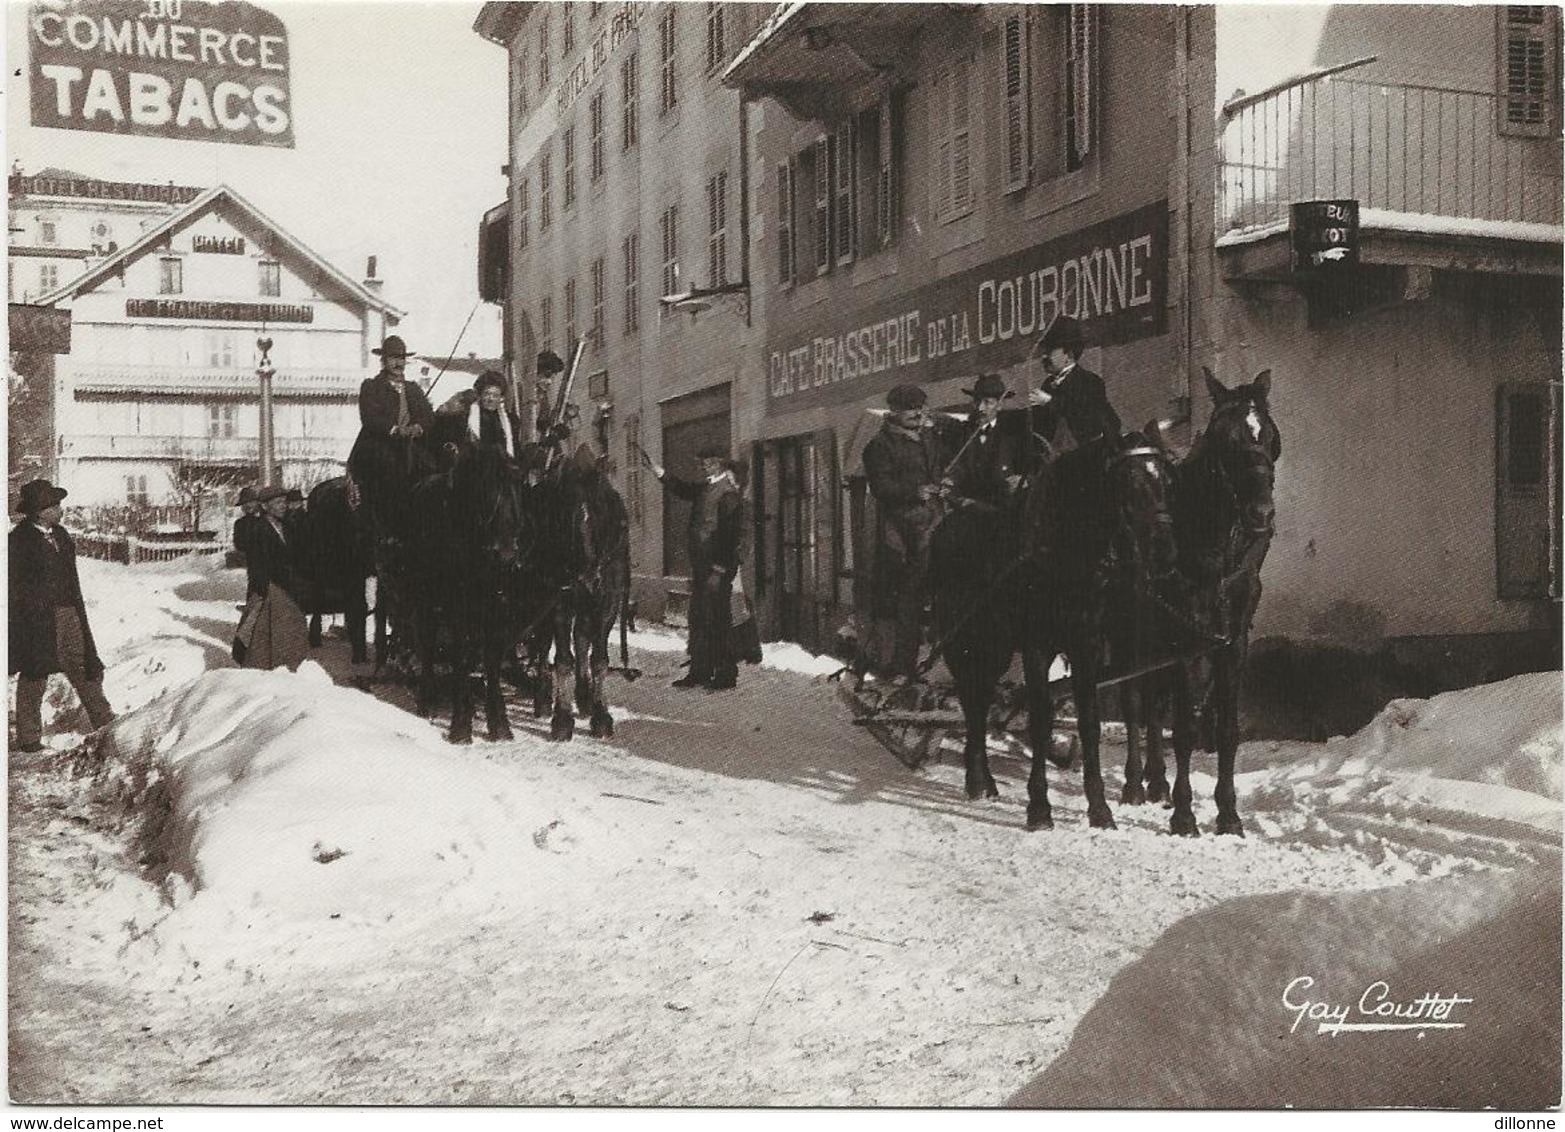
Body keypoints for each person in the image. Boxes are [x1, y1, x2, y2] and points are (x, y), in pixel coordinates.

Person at [9, 479, 115, 752]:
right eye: (54, 505)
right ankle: (29, 738)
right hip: (36, 621)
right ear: (40, 510)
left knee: (83, 666)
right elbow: (13, 588)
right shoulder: (18, 541)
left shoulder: (62, 535)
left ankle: (106, 723)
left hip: (68, 613)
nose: (60, 509)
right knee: (35, 673)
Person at [860, 383, 944, 684]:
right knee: (909, 595)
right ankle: (901, 665)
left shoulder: (931, 438)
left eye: (921, 407)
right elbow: (881, 487)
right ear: (894, 412)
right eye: (911, 408)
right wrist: (914, 492)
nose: (918, 413)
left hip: (937, 520)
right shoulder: (879, 446)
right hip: (902, 528)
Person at [646, 444, 743, 690]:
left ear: (719, 463)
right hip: (701, 569)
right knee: (699, 619)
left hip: (716, 571)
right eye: (701, 462)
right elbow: (682, 488)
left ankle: (725, 675)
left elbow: (730, 537)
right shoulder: (707, 487)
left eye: (707, 462)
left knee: (718, 620)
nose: (702, 466)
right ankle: (700, 671)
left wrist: (719, 571)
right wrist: (659, 471)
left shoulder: (728, 494)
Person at [346, 334, 435, 539]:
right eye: (393, 358)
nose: (398, 363)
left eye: (402, 358)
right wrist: (395, 429)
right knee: (386, 471)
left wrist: (418, 428)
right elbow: (369, 417)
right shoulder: (371, 386)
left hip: (410, 447)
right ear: (383, 360)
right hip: (378, 445)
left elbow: (427, 415)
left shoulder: (413, 389)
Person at [234, 484, 309, 670]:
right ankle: (262, 668)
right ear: (265, 507)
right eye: (278, 502)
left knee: (290, 627)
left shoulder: (287, 526)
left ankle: (290, 665)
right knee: (263, 630)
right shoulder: (257, 529)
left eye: (284, 502)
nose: (283, 505)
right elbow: (258, 562)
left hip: (290, 587)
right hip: (271, 587)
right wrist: (263, 588)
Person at [1026, 315, 1122, 461]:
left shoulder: (1090, 381)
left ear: (1068, 355)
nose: (1044, 356)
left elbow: (1085, 419)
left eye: (1050, 351)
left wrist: (1049, 401)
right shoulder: (1048, 384)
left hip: (1088, 460)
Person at [433, 370, 524, 463]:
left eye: (495, 395)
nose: (491, 399)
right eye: (487, 394)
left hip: (500, 470)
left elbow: (515, 450)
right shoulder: (464, 417)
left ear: (501, 397)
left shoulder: (510, 421)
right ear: (480, 394)